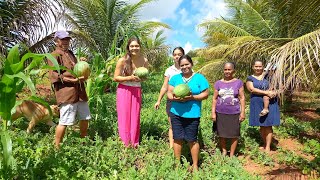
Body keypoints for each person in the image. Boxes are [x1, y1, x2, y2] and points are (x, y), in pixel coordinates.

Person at [48, 30, 91, 149]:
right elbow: (54, 75)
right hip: (67, 93)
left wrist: (82, 63)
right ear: (56, 41)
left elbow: (77, 70)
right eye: (63, 39)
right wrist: (72, 81)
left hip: (80, 91)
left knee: (85, 117)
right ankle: (56, 147)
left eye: (67, 39)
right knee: (65, 121)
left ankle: (83, 141)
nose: (66, 42)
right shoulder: (54, 55)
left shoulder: (71, 53)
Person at [167, 55, 209, 171]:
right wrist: (175, 99)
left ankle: (195, 165)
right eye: (182, 65)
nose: (185, 67)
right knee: (177, 138)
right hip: (176, 113)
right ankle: (177, 164)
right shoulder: (175, 78)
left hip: (193, 114)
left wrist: (193, 97)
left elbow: (206, 94)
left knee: (192, 139)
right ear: (179, 67)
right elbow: (169, 93)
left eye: (187, 64)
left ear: (191, 64)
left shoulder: (199, 78)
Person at [113, 37, 149, 148]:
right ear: (128, 47)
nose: (134, 48)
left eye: (136, 46)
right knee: (124, 116)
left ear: (140, 46)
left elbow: (144, 77)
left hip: (136, 90)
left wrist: (141, 79)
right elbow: (115, 78)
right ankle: (125, 143)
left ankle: (134, 142)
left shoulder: (144, 61)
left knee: (135, 115)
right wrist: (129, 78)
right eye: (132, 46)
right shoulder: (122, 60)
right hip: (124, 90)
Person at [211, 62, 245, 157]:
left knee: (234, 134)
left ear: (233, 70)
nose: (227, 71)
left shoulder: (238, 82)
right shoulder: (218, 83)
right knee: (221, 133)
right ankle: (224, 151)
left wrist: (243, 112)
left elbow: (242, 98)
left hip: (234, 112)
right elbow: (214, 98)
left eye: (229, 69)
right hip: (220, 112)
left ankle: (232, 154)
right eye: (225, 69)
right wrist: (213, 112)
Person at [246, 60, 280, 152]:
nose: (258, 68)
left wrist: (274, 93)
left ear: (263, 67)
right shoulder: (250, 78)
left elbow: (278, 87)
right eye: (256, 66)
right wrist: (266, 92)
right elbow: (251, 89)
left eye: (260, 66)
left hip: (270, 102)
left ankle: (268, 147)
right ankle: (265, 144)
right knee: (261, 125)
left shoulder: (269, 77)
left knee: (268, 125)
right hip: (257, 103)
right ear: (253, 67)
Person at [154, 47, 185, 148]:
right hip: (172, 101)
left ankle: (182, 145)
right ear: (173, 56)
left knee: (185, 123)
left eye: (179, 54)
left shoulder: (187, 68)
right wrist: (158, 100)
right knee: (172, 124)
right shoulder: (169, 70)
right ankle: (172, 146)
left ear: (183, 55)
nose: (177, 56)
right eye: (175, 54)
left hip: (186, 100)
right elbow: (164, 86)